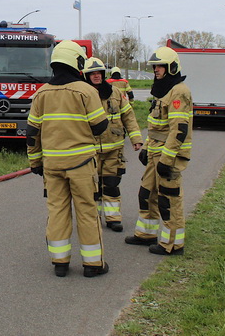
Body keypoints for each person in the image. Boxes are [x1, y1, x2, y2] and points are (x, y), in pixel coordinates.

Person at [27, 40, 110, 278]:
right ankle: (93, 265)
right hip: (82, 164)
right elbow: (100, 126)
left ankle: (60, 262)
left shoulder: (40, 93)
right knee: (86, 211)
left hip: (51, 166)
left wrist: (35, 162)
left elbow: (32, 134)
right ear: (77, 62)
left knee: (57, 212)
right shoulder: (86, 91)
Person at [125, 47, 192, 255]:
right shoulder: (163, 89)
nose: (156, 70)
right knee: (147, 193)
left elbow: (178, 129)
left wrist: (167, 158)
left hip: (167, 156)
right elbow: (156, 124)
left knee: (168, 199)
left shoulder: (179, 91)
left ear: (171, 68)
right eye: (155, 66)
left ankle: (173, 244)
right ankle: (146, 234)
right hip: (154, 151)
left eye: (160, 66)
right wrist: (146, 146)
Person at [82, 58, 143, 232]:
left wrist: (136, 138)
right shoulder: (82, 95)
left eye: (98, 73)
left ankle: (113, 218)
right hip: (89, 150)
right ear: (86, 76)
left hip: (113, 148)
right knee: (91, 186)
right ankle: (93, 219)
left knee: (111, 183)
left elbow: (128, 116)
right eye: (92, 74)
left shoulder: (115, 93)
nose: (96, 76)